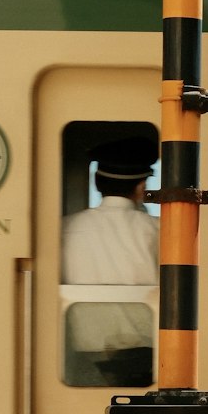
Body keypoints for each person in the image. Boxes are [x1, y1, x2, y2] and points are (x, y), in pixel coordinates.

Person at [61, 139, 159, 386]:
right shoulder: (158, 230)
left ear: (97, 183)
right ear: (141, 186)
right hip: (144, 350)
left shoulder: (65, 227)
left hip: (81, 350)